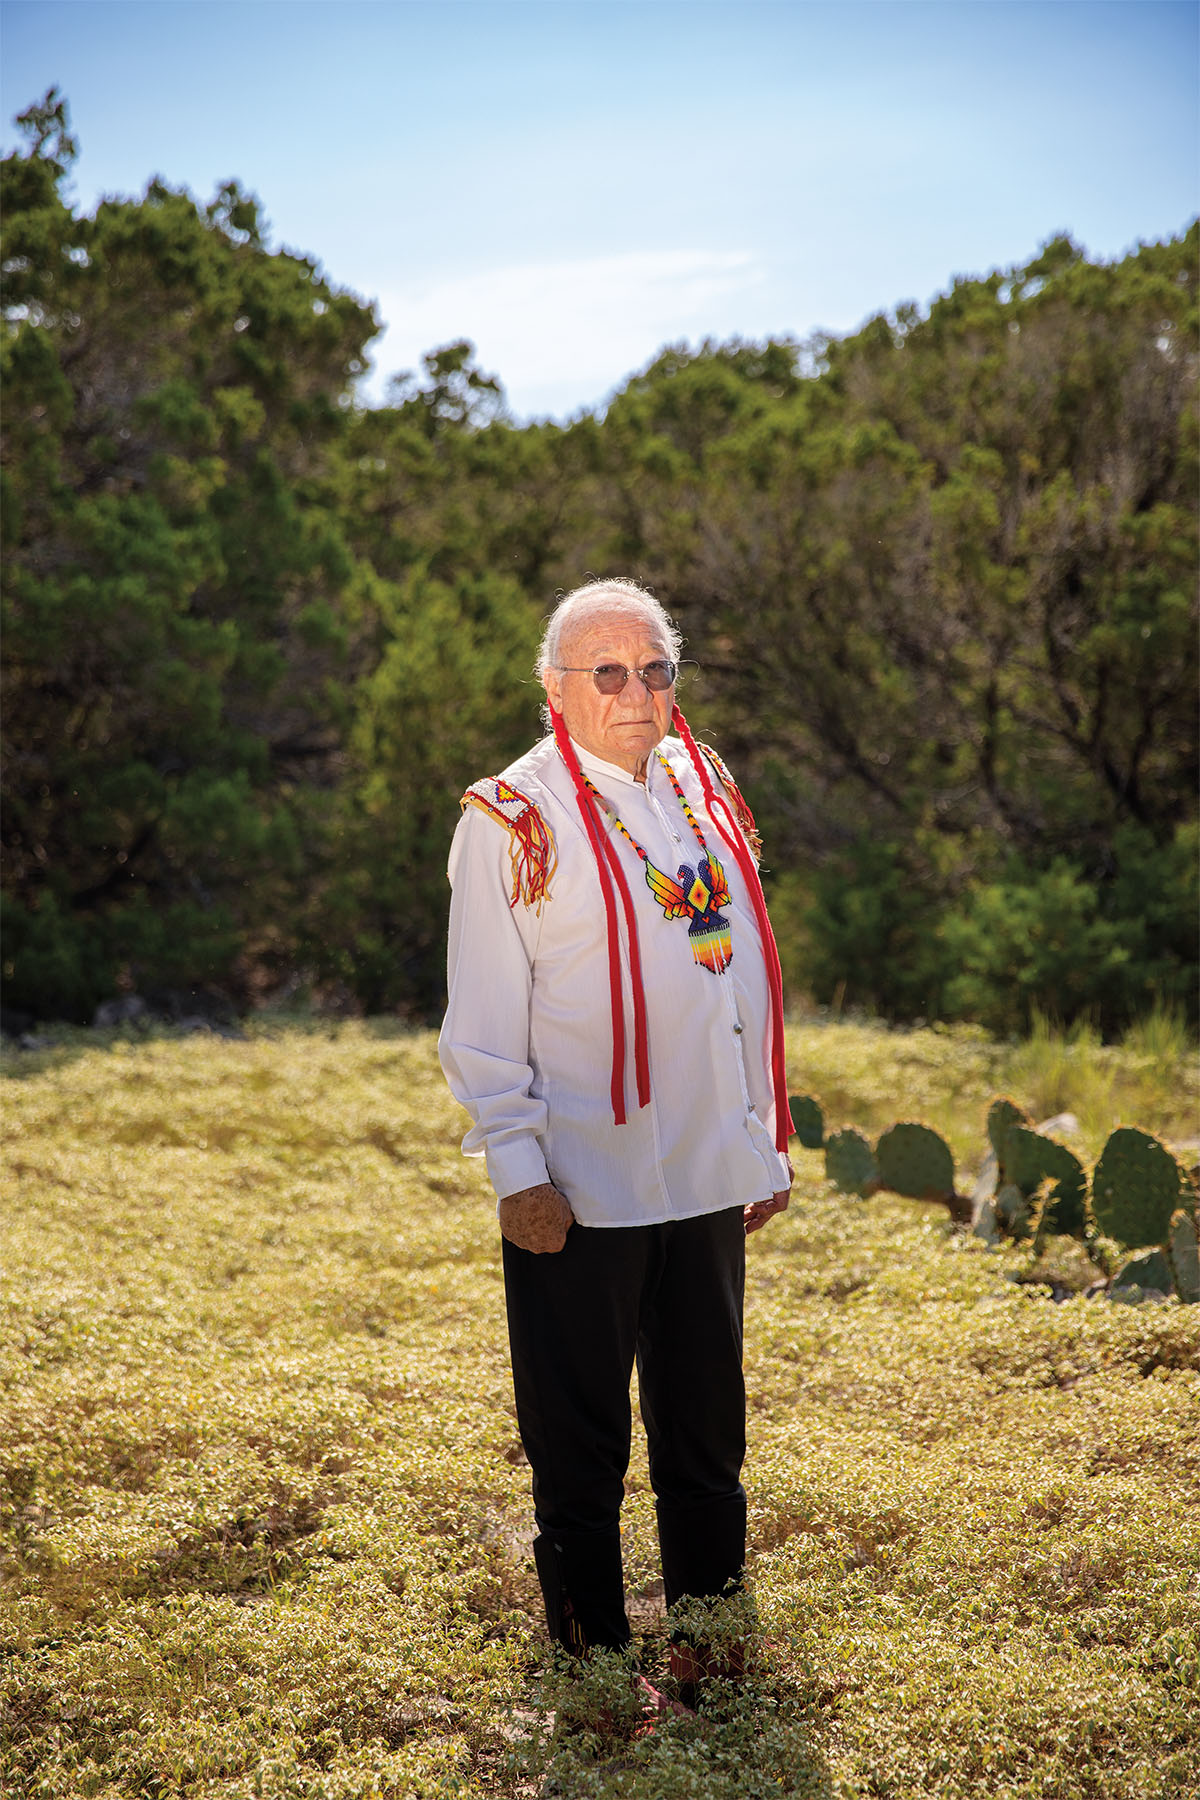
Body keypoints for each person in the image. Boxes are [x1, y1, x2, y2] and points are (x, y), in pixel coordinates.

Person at [438, 577, 793, 1704]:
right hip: (579, 1189)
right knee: (579, 1451)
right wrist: (516, 1169)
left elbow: (734, 981)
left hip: (702, 1173)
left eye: (654, 669)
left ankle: (712, 1646)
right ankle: (594, 1669)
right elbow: (483, 1015)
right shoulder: (512, 817)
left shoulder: (702, 784)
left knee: (706, 1436)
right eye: (606, 672)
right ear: (555, 688)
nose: (635, 693)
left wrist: (757, 1138)